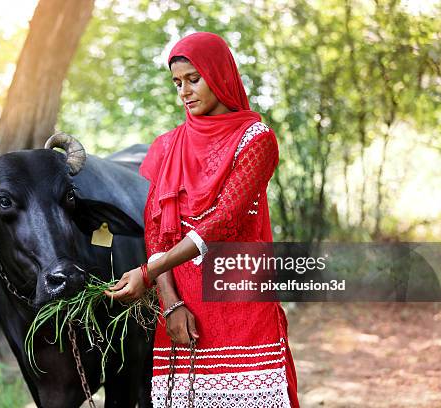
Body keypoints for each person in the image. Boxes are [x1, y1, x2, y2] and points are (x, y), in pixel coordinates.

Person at [105, 32, 299, 408]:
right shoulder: (167, 146)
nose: (185, 91)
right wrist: (170, 304)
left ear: (219, 74)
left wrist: (146, 273)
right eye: (178, 83)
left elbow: (223, 222)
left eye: (194, 79)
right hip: (183, 307)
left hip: (241, 301)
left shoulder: (255, 139)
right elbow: (157, 232)